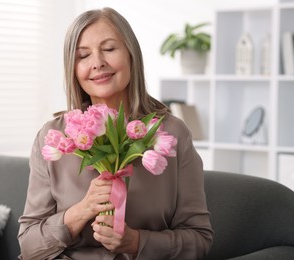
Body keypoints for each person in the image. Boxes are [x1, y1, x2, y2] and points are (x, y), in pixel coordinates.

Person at [18, 7, 213, 260]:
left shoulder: (172, 134)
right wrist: (81, 211)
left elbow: (199, 240)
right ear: (73, 69)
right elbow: (29, 246)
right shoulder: (53, 137)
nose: (97, 62)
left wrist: (136, 242)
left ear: (131, 54)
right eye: (83, 55)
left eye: (109, 49)